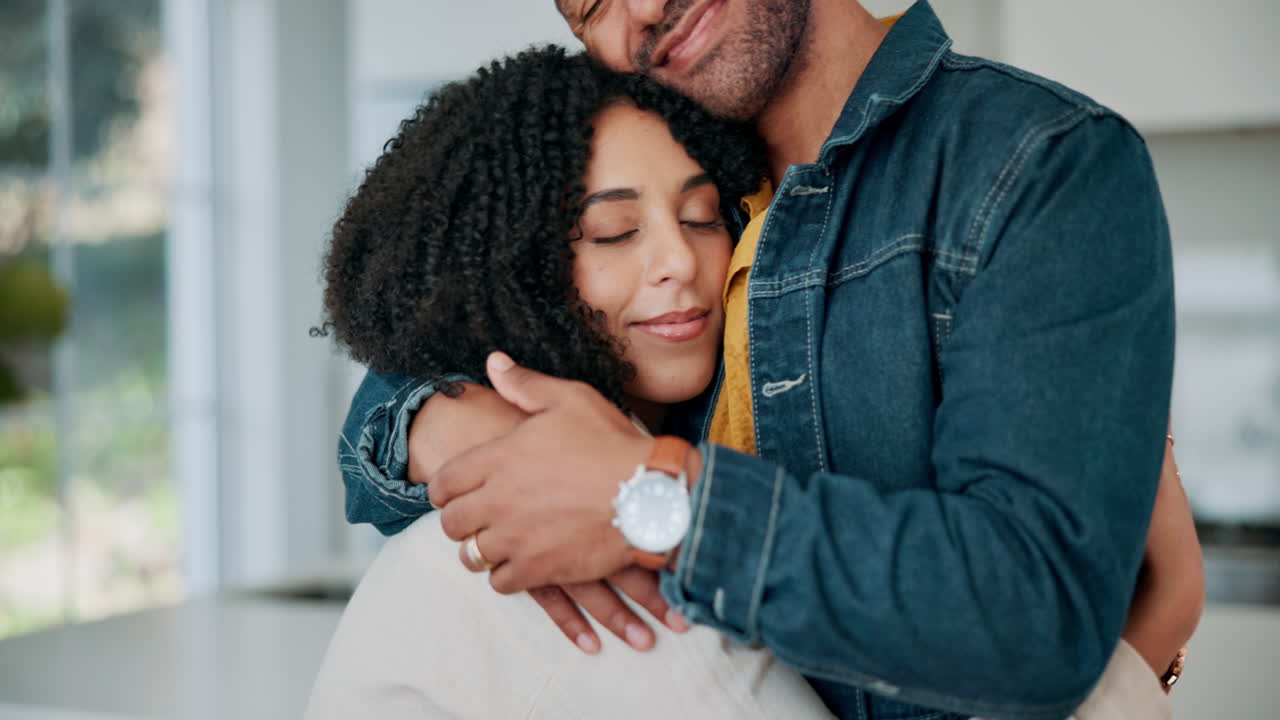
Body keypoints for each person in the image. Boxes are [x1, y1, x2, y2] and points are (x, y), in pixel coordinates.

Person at [338, 3, 1204, 718]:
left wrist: (651, 502)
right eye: (591, 6)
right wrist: (464, 430)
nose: (641, 11)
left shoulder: (1039, 167)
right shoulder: (656, 152)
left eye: (697, 218)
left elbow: (1035, 621)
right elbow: (449, 316)